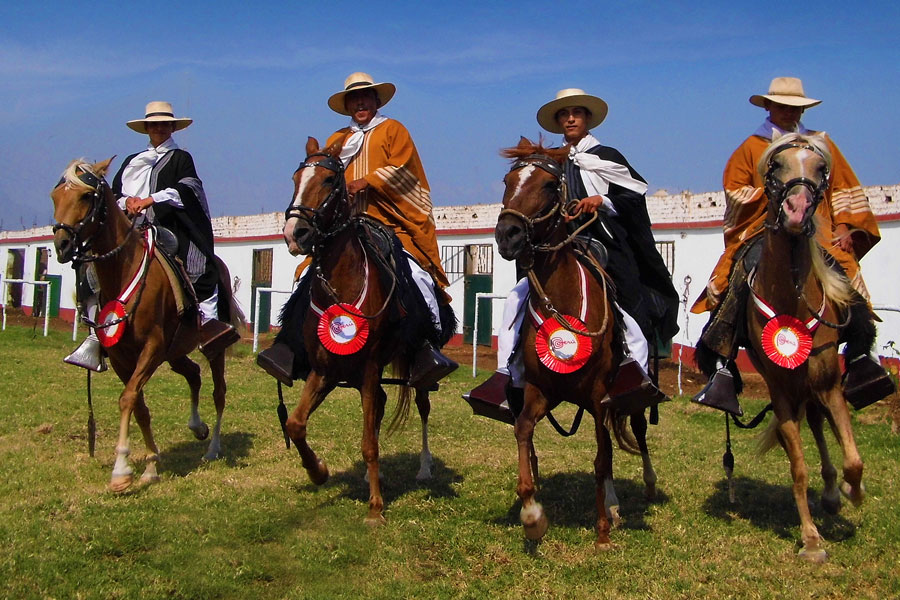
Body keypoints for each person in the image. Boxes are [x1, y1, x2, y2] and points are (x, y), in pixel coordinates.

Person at [465, 88, 680, 420]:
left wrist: (601, 201)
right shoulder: (549, 160)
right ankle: (509, 377)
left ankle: (634, 379)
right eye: (564, 115)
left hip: (603, 243)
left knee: (631, 312)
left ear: (587, 118)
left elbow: (634, 197)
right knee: (516, 299)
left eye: (576, 113)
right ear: (558, 122)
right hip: (557, 246)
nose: (570, 118)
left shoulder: (606, 156)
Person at [691, 77, 892, 414]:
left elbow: (843, 186)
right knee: (736, 276)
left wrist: (843, 225)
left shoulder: (820, 143)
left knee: (846, 279)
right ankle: (724, 364)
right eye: (781, 105)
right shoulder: (752, 147)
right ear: (768, 106)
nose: (788, 111)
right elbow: (736, 190)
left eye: (795, 106)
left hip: (819, 228)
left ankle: (859, 357)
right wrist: (773, 199)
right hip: (765, 227)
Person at [258, 72, 457, 389]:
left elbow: (405, 171)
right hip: (347, 227)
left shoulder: (394, 130)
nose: (360, 102)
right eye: (354, 98)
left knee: (416, 276)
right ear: (347, 105)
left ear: (377, 100)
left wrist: (366, 181)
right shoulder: (337, 139)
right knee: (307, 276)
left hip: (392, 225)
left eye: (366, 96)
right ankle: (290, 348)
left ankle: (424, 349)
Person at [64, 101, 239, 370]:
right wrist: (128, 202)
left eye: (164, 123)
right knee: (90, 267)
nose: (159, 128)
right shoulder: (131, 161)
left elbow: (188, 190)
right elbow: (113, 195)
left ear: (172, 127)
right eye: (154, 124)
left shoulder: (181, 158)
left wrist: (149, 200)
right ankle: (94, 333)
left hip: (167, 226)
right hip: (129, 228)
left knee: (199, 266)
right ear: (146, 128)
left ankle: (206, 324)